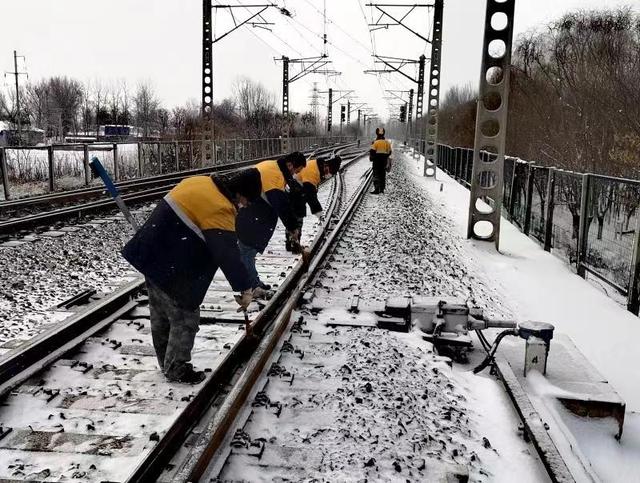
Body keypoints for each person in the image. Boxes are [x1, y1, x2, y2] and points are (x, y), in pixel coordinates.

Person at [121, 169, 262, 384]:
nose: (244, 206)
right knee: (185, 316)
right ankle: (177, 368)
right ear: (240, 193)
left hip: (150, 252)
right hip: (174, 264)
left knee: (160, 312)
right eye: (246, 201)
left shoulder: (200, 182)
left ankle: (166, 364)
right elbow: (227, 254)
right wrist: (245, 288)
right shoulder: (220, 207)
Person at [236, 152, 307, 297]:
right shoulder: (274, 174)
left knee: (248, 251)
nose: (295, 174)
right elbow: (280, 204)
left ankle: (253, 282)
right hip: (247, 211)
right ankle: (251, 288)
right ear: (290, 165)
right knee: (247, 251)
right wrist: (293, 228)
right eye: (296, 170)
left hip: (248, 210)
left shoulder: (273, 167)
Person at [288, 155, 342, 250]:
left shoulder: (318, 166)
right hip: (294, 188)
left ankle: (292, 243)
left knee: (296, 215)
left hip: (297, 187)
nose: (328, 175)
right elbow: (311, 196)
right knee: (297, 215)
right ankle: (293, 244)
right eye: (329, 172)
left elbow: (311, 192)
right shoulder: (313, 171)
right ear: (326, 166)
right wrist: (320, 214)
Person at [369, 127, 392, 194]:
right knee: (382, 174)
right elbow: (390, 152)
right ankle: (382, 189)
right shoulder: (387, 142)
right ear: (384, 134)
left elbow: (372, 152)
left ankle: (376, 189)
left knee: (376, 174)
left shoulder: (375, 142)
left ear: (377, 134)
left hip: (376, 161)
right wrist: (385, 156)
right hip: (384, 161)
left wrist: (372, 158)